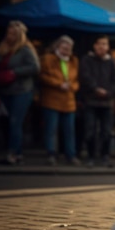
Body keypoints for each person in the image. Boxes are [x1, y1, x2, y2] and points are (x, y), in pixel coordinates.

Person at [0, 20, 40, 165]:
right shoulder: (3, 49)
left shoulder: (25, 50)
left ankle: (13, 153)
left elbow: (35, 67)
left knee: (15, 122)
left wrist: (15, 72)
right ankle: (15, 152)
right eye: (8, 33)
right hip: (4, 90)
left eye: (13, 34)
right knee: (5, 122)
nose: (9, 36)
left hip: (21, 90)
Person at [78, 35, 115, 166]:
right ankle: (91, 156)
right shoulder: (86, 60)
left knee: (106, 131)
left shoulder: (111, 62)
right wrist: (96, 89)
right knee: (90, 130)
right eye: (100, 44)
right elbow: (84, 77)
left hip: (107, 102)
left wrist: (108, 92)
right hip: (91, 101)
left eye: (105, 44)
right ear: (95, 45)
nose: (102, 47)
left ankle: (105, 156)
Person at [39, 35, 80, 166]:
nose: (67, 49)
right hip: (52, 99)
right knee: (51, 129)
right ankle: (51, 153)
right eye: (64, 46)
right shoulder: (48, 59)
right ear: (57, 46)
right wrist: (59, 84)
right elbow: (43, 76)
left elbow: (76, 80)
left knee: (69, 130)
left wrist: (72, 87)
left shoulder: (74, 61)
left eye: (69, 47)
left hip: (69, 100)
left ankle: (70, 155)